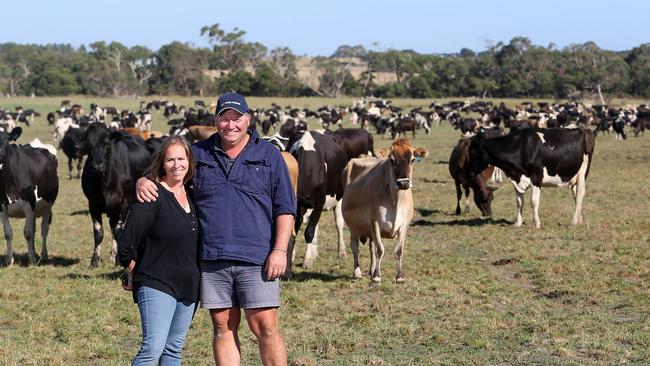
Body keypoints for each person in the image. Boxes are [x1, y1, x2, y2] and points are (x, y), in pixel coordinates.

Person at [136, 92, 296, 366]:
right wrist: (142, 180)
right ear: (216, 120)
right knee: (223, 327)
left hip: (257, 258)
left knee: (265, 328)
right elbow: (166, 176)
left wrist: (279, 250)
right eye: (224, 118)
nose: (230, 125)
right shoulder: (198, 154)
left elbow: (285, 209)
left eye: (236, 118)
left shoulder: (269, 155)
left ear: (248, 119)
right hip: (211, 259)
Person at [118, 136, 201, 366]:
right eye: (170, 160)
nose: (177, 165)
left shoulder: (194, 196)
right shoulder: (151, 195)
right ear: (162, 163)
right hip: (157, 282)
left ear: (189, 161)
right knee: (152, 349)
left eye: (181, 159)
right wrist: (137, 271)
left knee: (173, 351)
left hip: (189, 286)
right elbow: (125, 246)